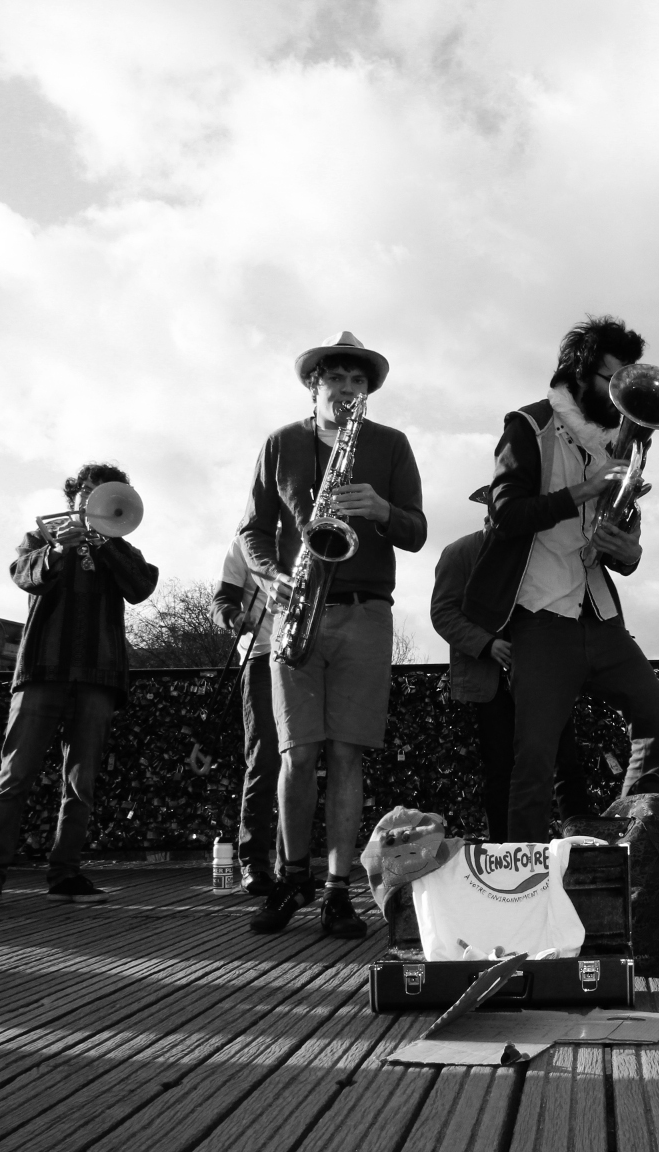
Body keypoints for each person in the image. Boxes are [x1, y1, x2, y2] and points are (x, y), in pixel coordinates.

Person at [461, 315, 659, 842]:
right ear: (579, 374)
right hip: (540, 620)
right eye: (614, 380)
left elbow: (621, 548)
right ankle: (526, 883)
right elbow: (507, 515)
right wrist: (582, 492)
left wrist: (628, 548)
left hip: (600, 616)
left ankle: (625, 842)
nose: (623, 394)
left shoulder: (626, 440)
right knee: (533, 760)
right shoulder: (529, 424)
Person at [239, 331, 426, 934]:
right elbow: (253, 531)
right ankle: (292, 880)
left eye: (357, 382)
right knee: (297, 754)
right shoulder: (280, 442)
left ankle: (338, 889)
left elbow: (417, 531)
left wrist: (382, 511)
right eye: (336, 380)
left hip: (364, 610)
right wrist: (269, 579)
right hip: (296, 610)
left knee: (348, 755)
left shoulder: (391, 445)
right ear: (313, 386)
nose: (347, 390)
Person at [0, 463, 159, 912]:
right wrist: (59, 549)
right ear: (76, 498)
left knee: (80, 784)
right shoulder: (39, 539)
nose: (100, 501)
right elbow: (24, 575)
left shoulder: (119, 546)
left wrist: (106, 545)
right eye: (93, 494)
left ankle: (66, 874)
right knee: (13, 777)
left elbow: (142, 587)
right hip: (42, 671)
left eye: (110, 494)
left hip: (97, 676)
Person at [431, 486, 587, 841]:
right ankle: (504, 853)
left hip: (544, 675)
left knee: (567, 766)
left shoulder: (541, 550)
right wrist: (488, 645)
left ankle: (580, 848)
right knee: (501, 770)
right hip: (493, 682)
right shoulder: (458, 553)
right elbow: (442, 612)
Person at [212, 536, 279, 895]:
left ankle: (289, 863)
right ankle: (254, 862)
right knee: (265, 759)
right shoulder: (245, 540)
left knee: (301, 761)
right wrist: (232, 617)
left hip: (311, 652)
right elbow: (221, 600)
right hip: (262, 655)